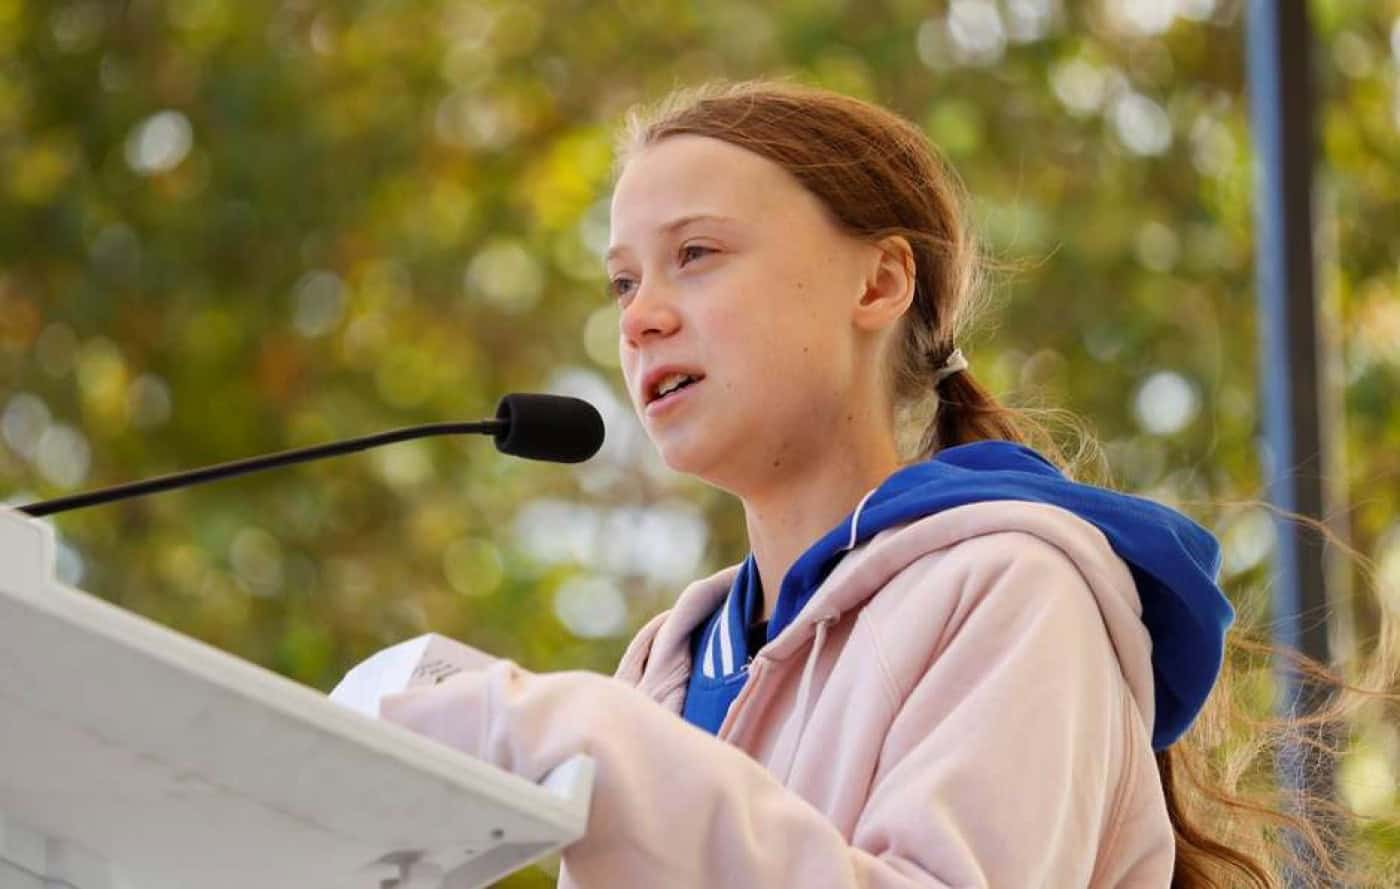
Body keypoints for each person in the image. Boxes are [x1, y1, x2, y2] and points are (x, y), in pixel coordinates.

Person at [379, 81, 1333, 888]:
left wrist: (579, 735)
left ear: (879, 283)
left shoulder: (1013, 590)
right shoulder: (666, 663)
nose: (641, 321)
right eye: (623, 283)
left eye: (695, 254)